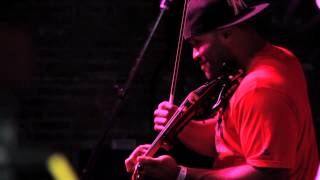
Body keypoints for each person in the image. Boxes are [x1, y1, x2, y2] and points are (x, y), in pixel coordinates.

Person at [125, 0, 319, 179]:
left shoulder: (259, 89)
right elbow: (229, 139)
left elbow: (268, 175)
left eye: (198, 43)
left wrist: (180, 175)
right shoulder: (280, 58)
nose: (194, 55)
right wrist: (179, 126)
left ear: (227, 33)